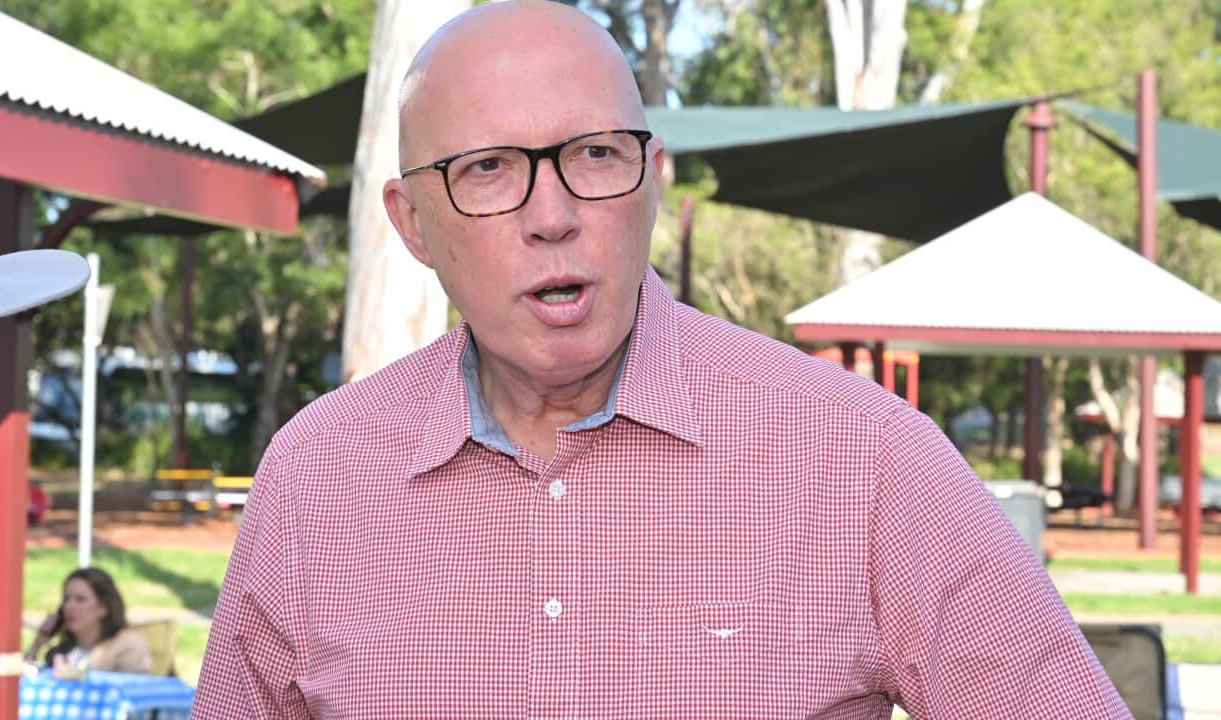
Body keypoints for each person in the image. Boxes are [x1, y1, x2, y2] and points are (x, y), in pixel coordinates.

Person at [192, 2, 1130, 717]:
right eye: (488, 170)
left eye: (596, 155)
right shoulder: (317, 477)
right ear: (411, 224)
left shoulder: (865, 460)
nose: (552, 214)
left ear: (651, 180)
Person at [25, 567, 152, 675]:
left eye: (80, 599)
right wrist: (37, 644)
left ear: (104, 607)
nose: (69, 607)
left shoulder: (128, 644)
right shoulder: (67, 651)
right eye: (66, 599)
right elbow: (24, 681)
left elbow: (134, 691)